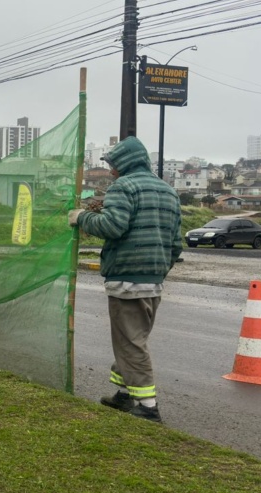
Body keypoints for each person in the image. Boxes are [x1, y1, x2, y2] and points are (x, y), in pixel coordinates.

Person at [69, 136, 181, 423]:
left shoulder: (124, 187)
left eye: (113, 165)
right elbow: (176, 244)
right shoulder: (168, 192)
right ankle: (125, 394)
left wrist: (81, 217)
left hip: (127, 279)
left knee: (131, 343)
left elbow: (111, 225)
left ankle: (147, 406)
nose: (111, 171)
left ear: (126, 163)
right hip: (153, 279)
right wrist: (158, 269)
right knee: (132, 338)